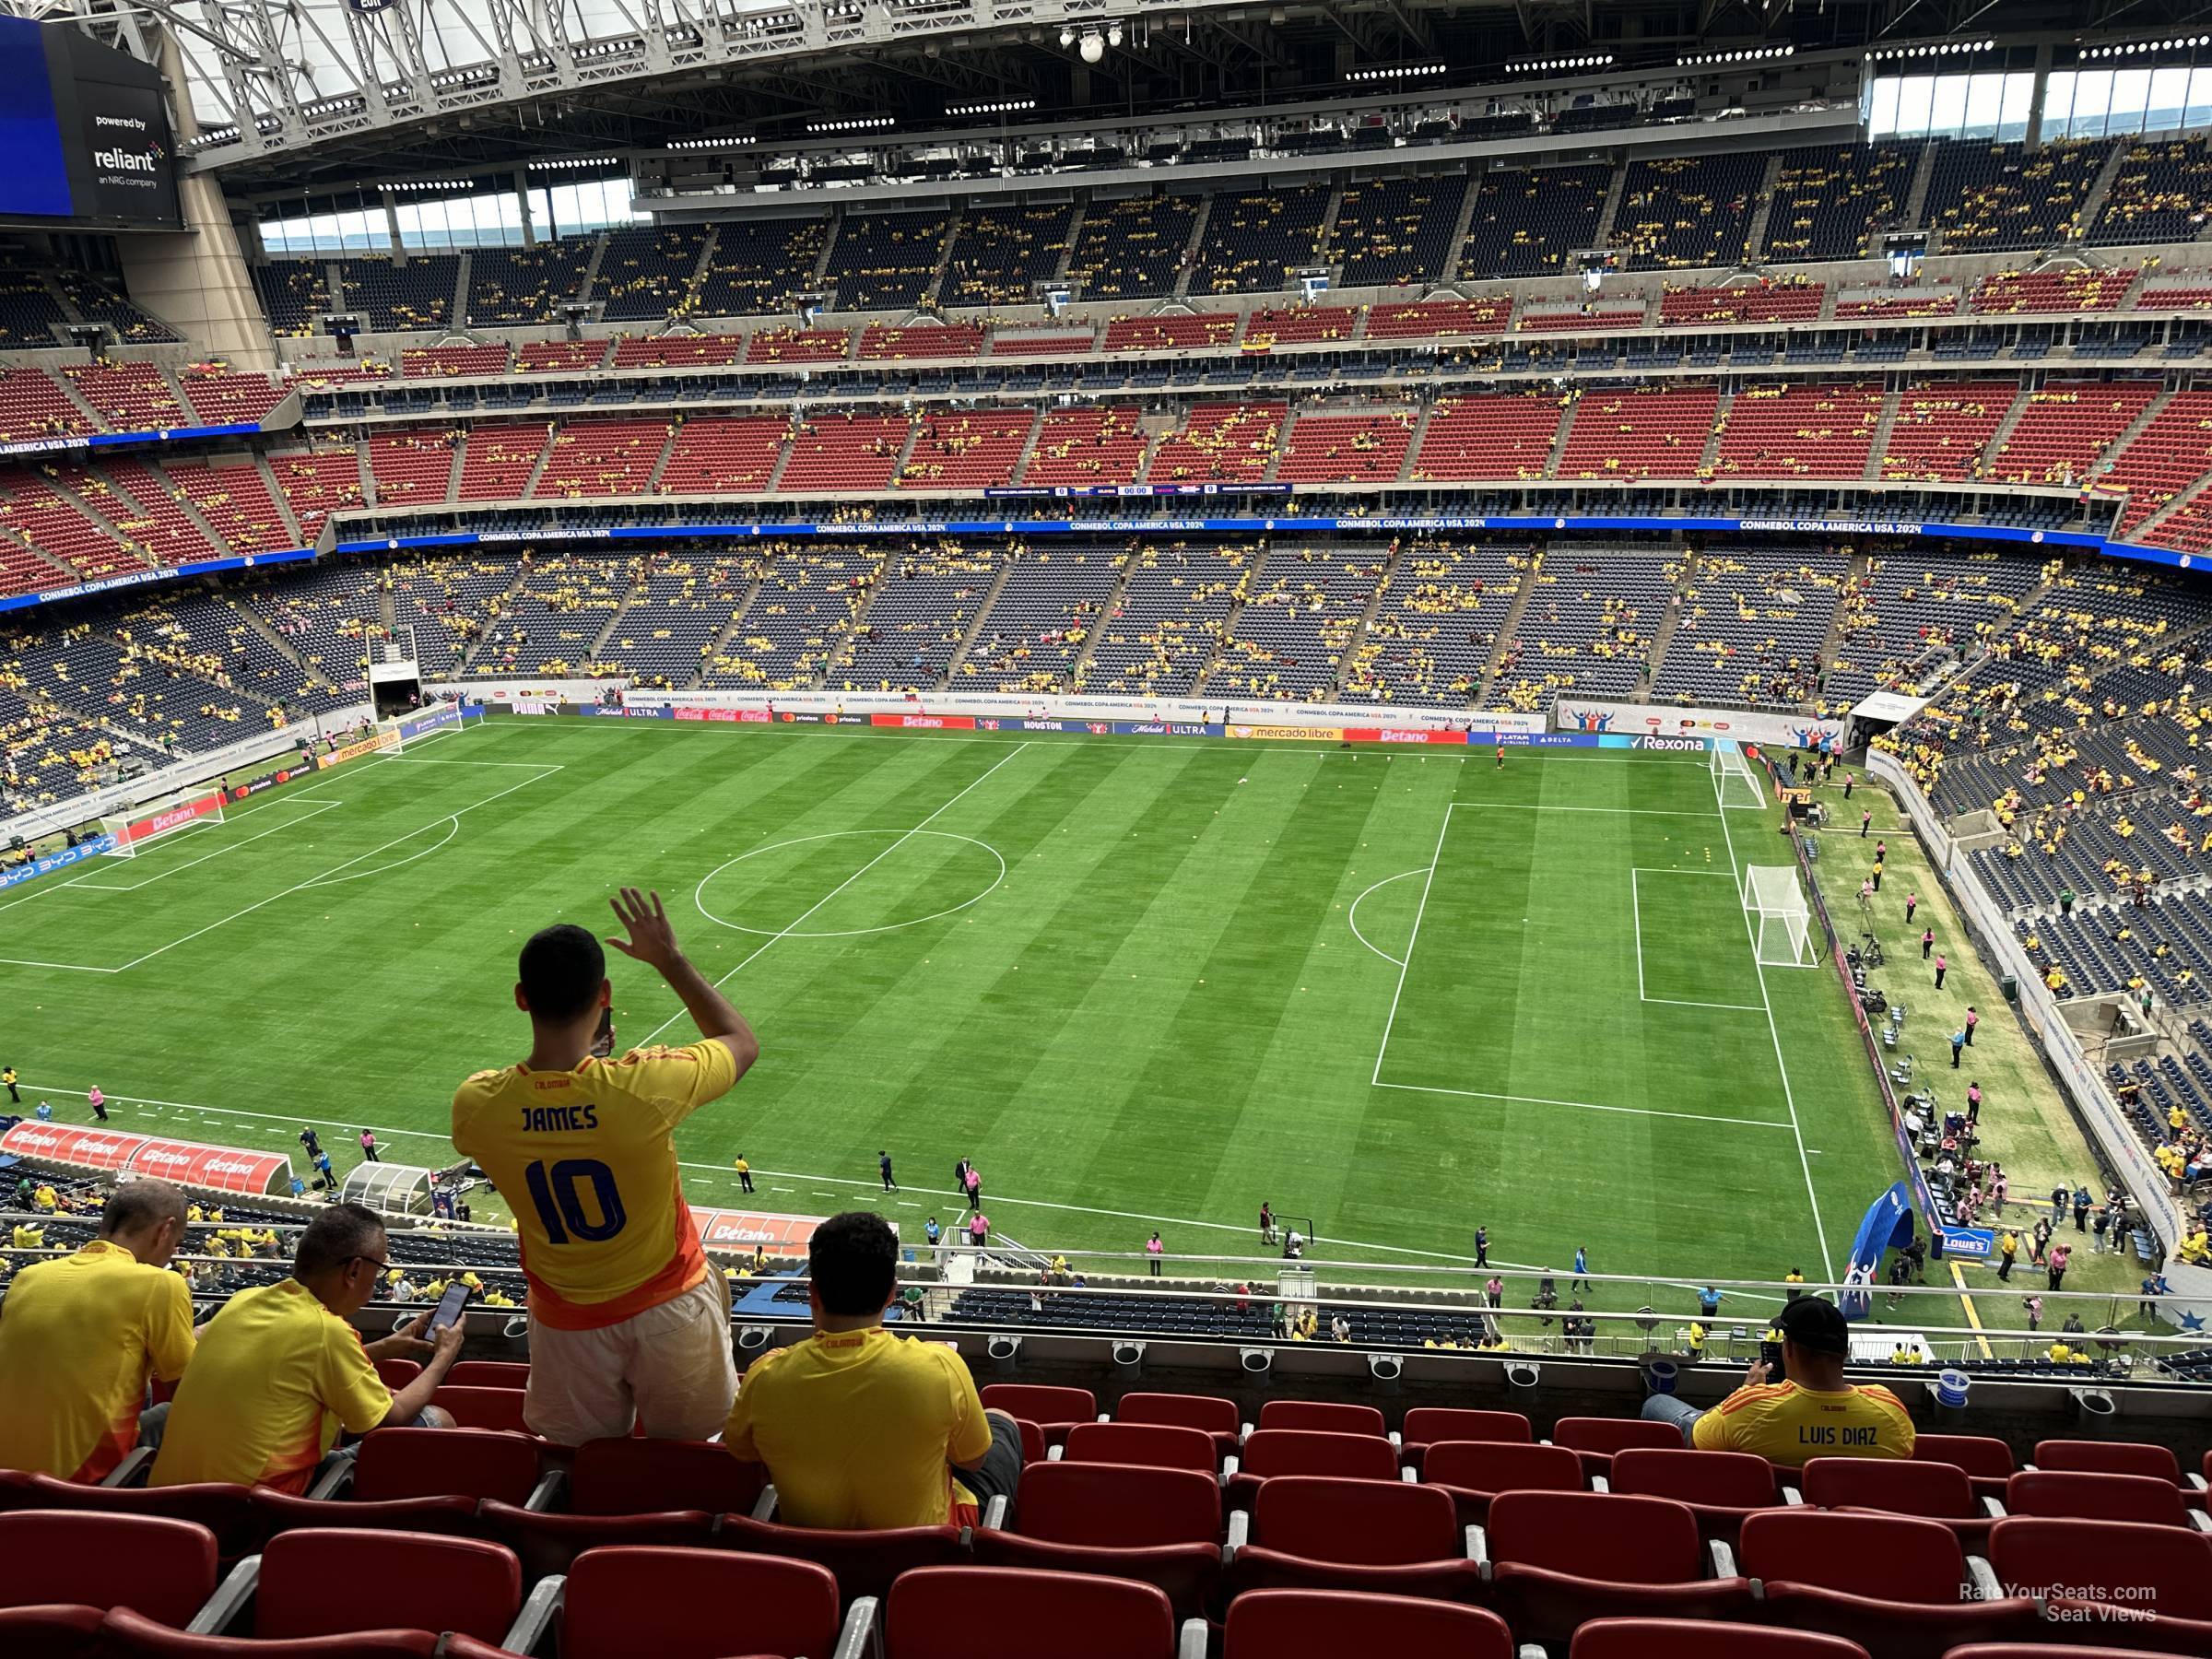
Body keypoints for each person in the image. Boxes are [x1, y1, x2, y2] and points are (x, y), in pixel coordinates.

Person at [451, 887, 760, 1445]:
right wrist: (670, 959)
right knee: (696, 1458)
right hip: (669, 1306)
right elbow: (738, 1042)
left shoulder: (477, 1107)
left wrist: (583, 1074)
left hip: (565, 1323)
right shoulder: (643, 1089)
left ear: (522, 998)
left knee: (572, 1466)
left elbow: (545, 1106)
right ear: (605, 994)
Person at [723, 1211, 1018, 1529]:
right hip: (926, 1550)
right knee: (1003, 1421)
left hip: (813, 1554)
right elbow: (973, 1460)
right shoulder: (940, 1367)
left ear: (813, 1294)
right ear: (892, 1293)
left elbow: (743, 1454)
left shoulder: (764, 1376)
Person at [150, 1203, 463, 1490]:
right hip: (249, 1513)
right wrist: (443, 1357)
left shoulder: (244, 1300)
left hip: (168, 1499)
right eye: (378, 1268)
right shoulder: (327, 1331)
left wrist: (387, 1347)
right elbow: (391, 1418)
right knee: (436, 1420)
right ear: (354, 1271)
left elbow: (293, 1366)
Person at [0, 1180, 194, 1482]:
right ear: (164, 1231)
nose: (173, 1252)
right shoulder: (161, 1284)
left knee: (138, 1389)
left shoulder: (27, 1278)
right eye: (176, 1242)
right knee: (174, 1411)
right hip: (74, 1484)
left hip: (7, 1477)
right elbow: (189, 1395)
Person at [1641, 1296, 1913, 1465]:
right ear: (1846, 1352)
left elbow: (1696, 1444)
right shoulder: (1889, 1409)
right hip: (1858, 1536)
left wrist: (1744, 1392)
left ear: (1789, 1350)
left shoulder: (1754, 1406)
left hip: (1764, 1527)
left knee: (1658, 1403)